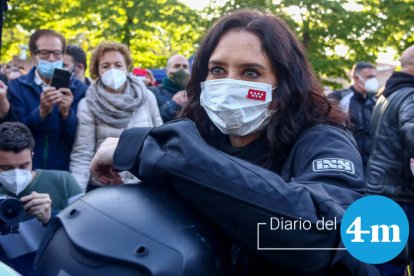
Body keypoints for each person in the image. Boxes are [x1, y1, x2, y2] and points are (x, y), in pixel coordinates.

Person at [90, 10, 377, 274]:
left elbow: (320, 234)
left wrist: (164, 154)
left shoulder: (323, 139)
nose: (229, 84)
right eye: (217, 70)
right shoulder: (196, 134)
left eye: (250, 73)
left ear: (285, 83)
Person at [70, 41, 162, 192]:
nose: (112, 70)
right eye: (106, 66)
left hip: (144, 183)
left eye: (118, 65)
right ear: (97, 70)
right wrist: (76, 196)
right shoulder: (88, 104)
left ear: (126, 67)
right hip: (106, 186)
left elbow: (158, 139)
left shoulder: (147, 97)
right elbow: (83, 153)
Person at [0, 122, 83, 275]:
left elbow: (87, 233)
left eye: (24, 166)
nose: (17, 175)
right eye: (6, 168)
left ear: (32, 155)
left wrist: (51, 217)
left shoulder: (63, 182)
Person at [7, 30, 88, 171]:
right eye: (45, 53)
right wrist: (41, 112)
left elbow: (80, 138)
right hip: (28, 171)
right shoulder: (17, 87)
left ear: (63, 55)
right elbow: (16, 134)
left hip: (63, 172)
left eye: (57, 53)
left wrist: (67, 114)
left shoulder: (78, 89)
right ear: (34, 55)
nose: (51, 59)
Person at [366, 45, 414, 275]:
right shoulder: (411, 95)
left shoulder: (388, 95)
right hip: (403, 198)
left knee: (383, 266)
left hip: (379, 193)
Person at [328, 62, 378, 166]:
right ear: (356, 78)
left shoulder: (374, 101)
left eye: (375, 77)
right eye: (369, 77)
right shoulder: (339, 98)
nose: (373, 80)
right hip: (345, 160)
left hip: (369, 164)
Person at [149, 54, 190, 122]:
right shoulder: (153, 92)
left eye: (185, 67)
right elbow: (152, 121)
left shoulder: (194, 92)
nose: (181, 69)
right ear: (167, 71)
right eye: (177, 66)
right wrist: (173, 105)